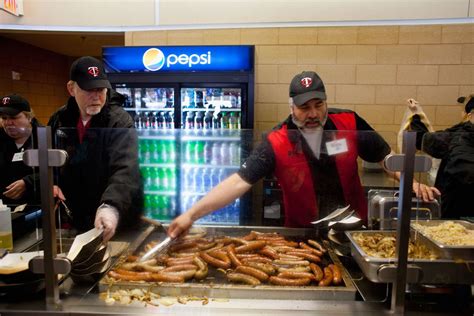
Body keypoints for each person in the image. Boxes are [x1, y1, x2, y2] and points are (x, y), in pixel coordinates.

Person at [168, 71, 440, 238]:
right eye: (303, 107)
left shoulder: (349, 122)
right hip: (300, 235)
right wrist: (191, 214)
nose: (312, 114)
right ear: (291, 108)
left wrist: (410, 182)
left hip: (355, 231)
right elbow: (239, 182)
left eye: (317, 104)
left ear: (326, 102)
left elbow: (385, 158)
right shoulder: (276, 139)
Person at [48, 56, 142, 241]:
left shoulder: (118, 121)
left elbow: (125, 168)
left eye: (100, 89)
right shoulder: (59, 119)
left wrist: (110, 207)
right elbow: (47, 158)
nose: (96, 96)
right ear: (71, 88)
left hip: (112, 217)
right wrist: (51, 182)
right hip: (74, 216)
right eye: (88, 90)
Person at [407, 94, 474, 219]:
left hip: (455, 211)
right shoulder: (458, 135)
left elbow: (421, 139)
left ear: (469, 115)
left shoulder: (458, 136)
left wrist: (416, 115)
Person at [0, 94, 41, 205]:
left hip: (38, 209)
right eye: (4, 118)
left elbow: (57, 173)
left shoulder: (45, 139)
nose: (8, 123)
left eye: (13, 117)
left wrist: (29, 182)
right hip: (6, 209)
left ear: (29, 117)